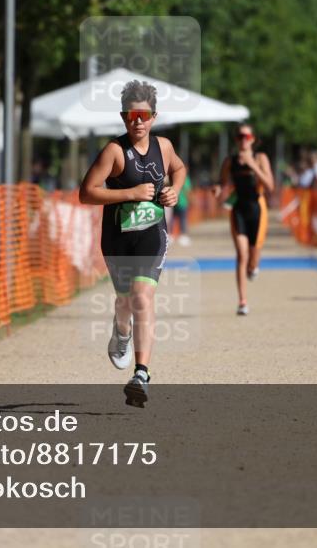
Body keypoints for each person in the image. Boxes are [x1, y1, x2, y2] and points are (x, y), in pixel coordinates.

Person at [79, 80, 186, 407]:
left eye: (144, 115)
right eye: (131, 115)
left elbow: (179, 168)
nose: (137, 121)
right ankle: (121, 331)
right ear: (123, 117)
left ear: (154, 117)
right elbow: (86, 193)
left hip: (152, 235)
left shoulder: (163, 146)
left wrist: (175, 190)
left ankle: (141, 374)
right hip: (117, 237)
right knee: (125, 300)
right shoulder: (114, 151)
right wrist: (130, 193)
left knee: (142, 297)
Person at [213, 123, 275, 316]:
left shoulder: (260, 158)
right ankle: (242, 301)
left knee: (253, 257)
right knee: (241, 255)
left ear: (253, 139)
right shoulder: (230, 161)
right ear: (236, 139)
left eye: (247, 137)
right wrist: (218, 189)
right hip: (238, 209)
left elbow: (270, 185)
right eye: (240, 136)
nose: (243, 140)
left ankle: (254, 266)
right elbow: (222, 182)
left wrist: (253, 165)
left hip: (257, 209)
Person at [172, 175, 192, 246]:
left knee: (174, 219)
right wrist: (190, 201)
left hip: (175, 202)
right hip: (182, 203)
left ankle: (172, 235)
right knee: (182, 219)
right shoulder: (185, 178)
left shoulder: (174, 176)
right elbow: (187, 191)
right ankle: (182, 236)